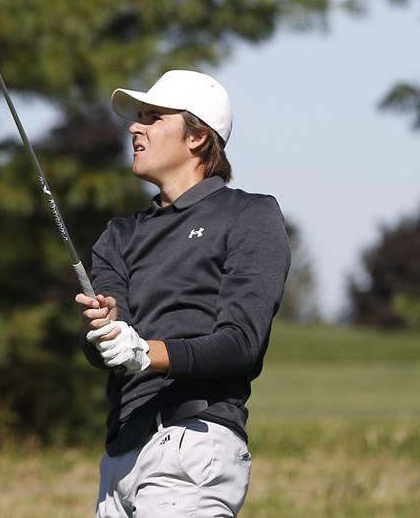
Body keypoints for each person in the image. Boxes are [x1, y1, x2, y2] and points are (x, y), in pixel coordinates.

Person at [75, 69, 291, 517]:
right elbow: (107, 348)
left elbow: (241, 345)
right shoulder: (118, 234)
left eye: (153, 117)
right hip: (119, 457)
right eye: (138, 118)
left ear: (197, 137)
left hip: (191, 444)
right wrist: (104, 330)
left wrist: (146, 352)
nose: (136, 127)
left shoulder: (249, 215)